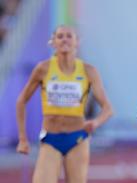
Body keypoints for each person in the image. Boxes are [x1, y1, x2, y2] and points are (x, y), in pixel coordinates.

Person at [16, 25, 113, 183]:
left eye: (69, 36)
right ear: (53, 42)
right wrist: (22, 138)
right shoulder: (43, 69)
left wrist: (95, 122)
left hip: (77, 139)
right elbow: (21, 101)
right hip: (50, 138)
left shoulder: (89, 71)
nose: (65, 39)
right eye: (60, 36)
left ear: (77, 42)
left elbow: (108, 109)